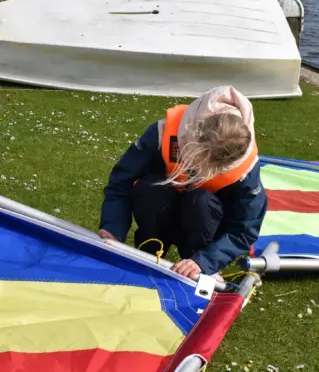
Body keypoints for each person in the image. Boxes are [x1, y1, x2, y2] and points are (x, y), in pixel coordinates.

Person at [97, 85, 268, 279]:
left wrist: (205, 261)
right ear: (192, 138)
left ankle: (196, 263)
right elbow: (121, 183)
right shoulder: (163, 133)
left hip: (204, 221)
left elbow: (245, 228)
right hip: (160, 211)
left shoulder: (245, 167)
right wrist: (113, 228)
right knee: (151, 188)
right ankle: (149, 249)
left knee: (201, 200)